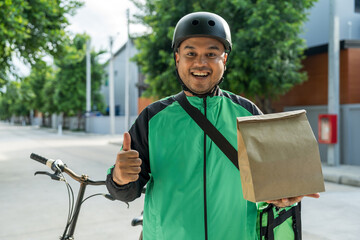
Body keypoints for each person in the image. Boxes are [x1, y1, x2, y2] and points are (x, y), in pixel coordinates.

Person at [106, 11, 319, 240]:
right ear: (177, 58)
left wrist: (285, 194)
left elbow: (274, 181)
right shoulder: (153, 117)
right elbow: (126, 190)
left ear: (224, 60)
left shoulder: (248, 114)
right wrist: (120, 177)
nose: (201, 62)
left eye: (211, 53)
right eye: (191, 53)